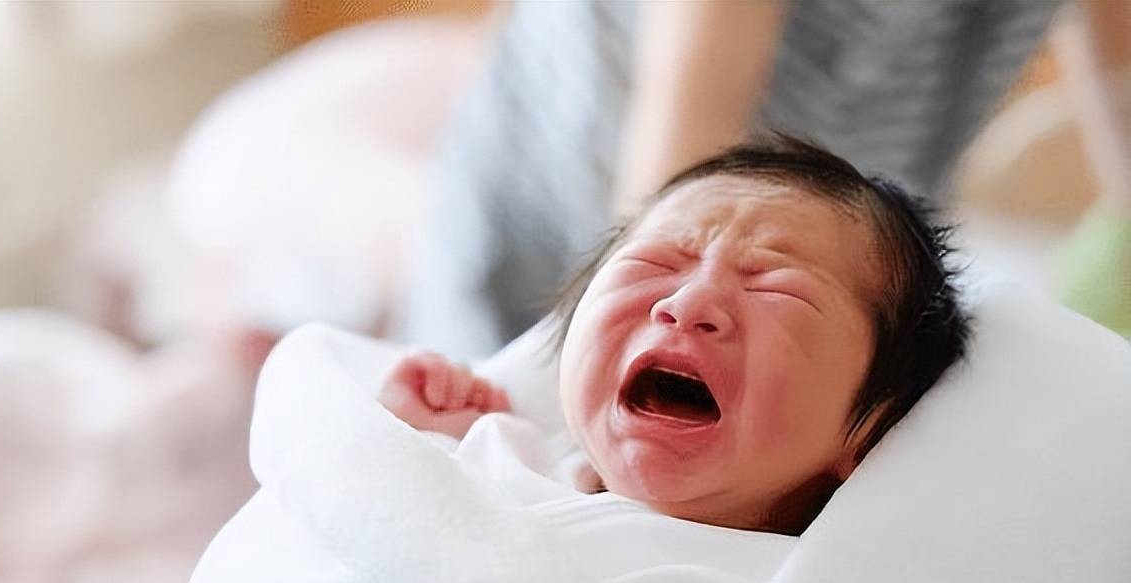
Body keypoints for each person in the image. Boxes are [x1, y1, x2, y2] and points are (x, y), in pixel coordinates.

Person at [399, 0, 1060, 358]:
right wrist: (629, 335)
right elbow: (690, 113)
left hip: (849, 194)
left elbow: (1121, 83)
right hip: (605, 176)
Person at [381, 136, 969, 535]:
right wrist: (425, 438)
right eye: (657, 263)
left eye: (777, 289)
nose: (688, 304)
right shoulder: (515, 461)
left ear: (871, 428)